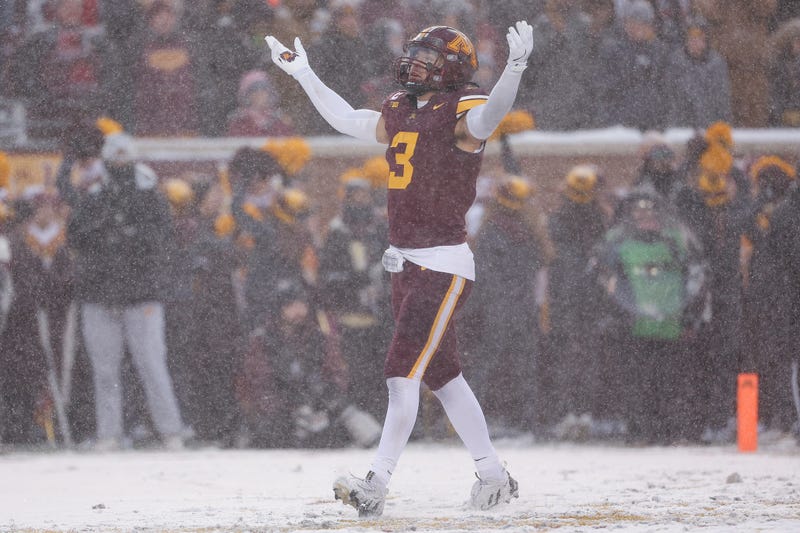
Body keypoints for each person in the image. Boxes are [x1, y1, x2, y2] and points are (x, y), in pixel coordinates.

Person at [266, 20, 534, 516]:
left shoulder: (464, 106)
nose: (413, 64)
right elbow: (348, 118)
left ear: (450, 68)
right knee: (444, 375)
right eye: (414, 54)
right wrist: (304, 75)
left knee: (399, 371)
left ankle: (377, 482)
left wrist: (513, 71)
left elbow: (490, 118)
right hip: (406, 261)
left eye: (426, 58)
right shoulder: (404, 106)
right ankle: (493, 475)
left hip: (442, 262)